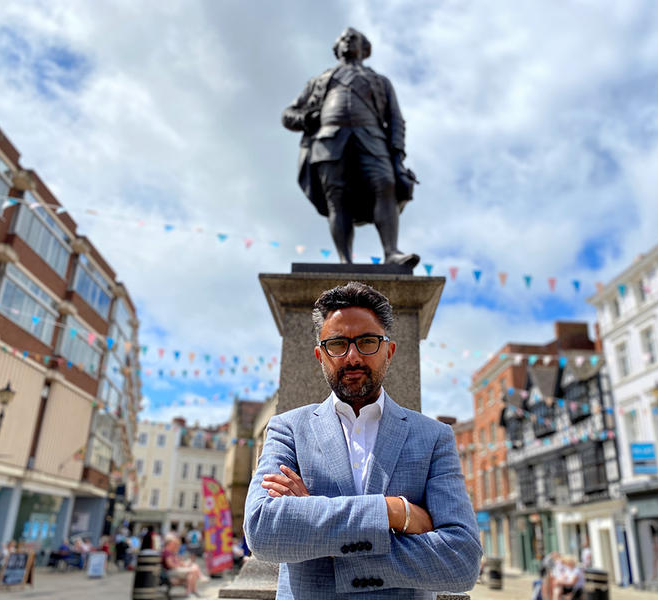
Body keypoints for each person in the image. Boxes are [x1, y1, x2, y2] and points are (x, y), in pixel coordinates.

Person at [244, 282, 481, 598]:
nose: (352, 357)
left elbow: (461, 562)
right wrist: (395, 512)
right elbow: (262, 531)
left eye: (367, 341)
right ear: (320, 355)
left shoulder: (434, 437)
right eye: (337, 344)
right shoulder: (288, 430)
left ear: (389, 351)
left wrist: (316, 526)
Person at [282, 28, 419, 268]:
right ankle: (344, 260)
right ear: (336, 49)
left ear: (365, 48)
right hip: (329, 140)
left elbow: (396, 119)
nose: (347, 41)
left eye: (352, 38)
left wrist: (397, 157)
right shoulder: (319, 81)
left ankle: (391, 252)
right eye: (342, 39)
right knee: (337, 198)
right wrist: (306, 120)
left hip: (372, 139)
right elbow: (288, 114)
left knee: (385, 184)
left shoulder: (379, 81)